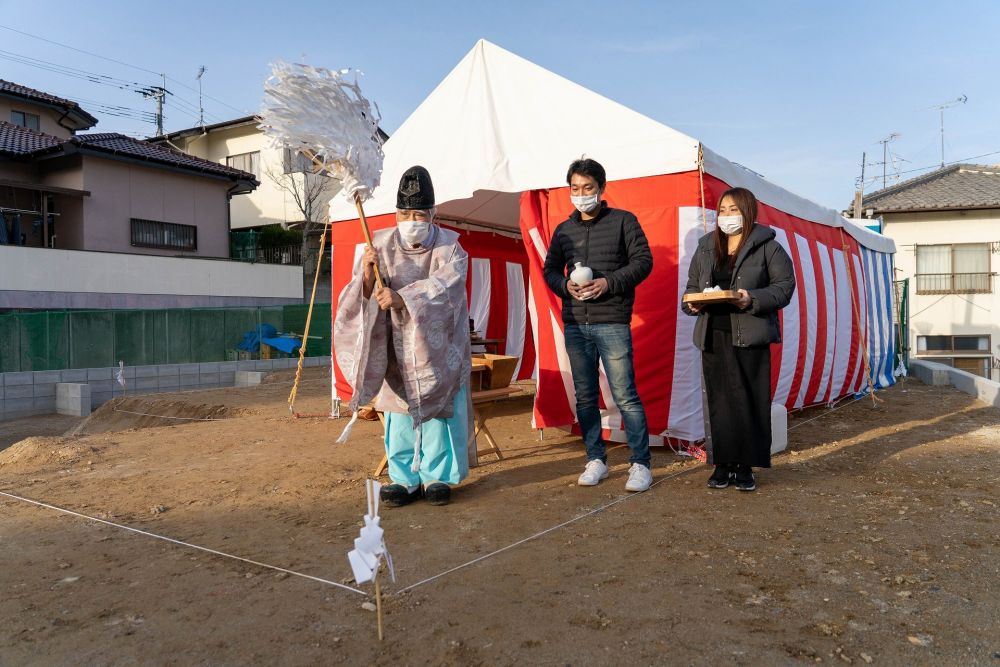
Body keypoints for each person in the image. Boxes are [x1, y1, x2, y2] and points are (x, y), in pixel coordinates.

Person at [334, 165, 473, 507]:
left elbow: (447, 289)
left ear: (432, 214)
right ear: (396, 213)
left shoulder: (450, 248)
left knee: (438, 411)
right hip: (395, 345)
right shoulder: (377, 243)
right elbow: (359, 293)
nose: (412, 219)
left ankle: (437, 477)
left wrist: (403, 297)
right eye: (405, 213)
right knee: (398, 413)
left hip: (436, 347)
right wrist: (367, 275)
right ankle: (404, 478)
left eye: (419, 214)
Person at [542, 158, 654, 492]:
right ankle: (596, 459)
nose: (581, 194)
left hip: (612, 322)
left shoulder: (623, 221)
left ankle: (640, 464)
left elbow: (643, 261)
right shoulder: (564, 230)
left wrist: (609, 283)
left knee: (625, 395)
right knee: (586, 397)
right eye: (575, 188)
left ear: (601, 189)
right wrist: (565, 287)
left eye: (587, 188)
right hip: (576, 324)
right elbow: (550, 270)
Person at [681, 187, 795, 492]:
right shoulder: (706, 246)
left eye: (734, 209)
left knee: (749, 401)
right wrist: (691, 303)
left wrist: (751, 298)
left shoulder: (768, 246)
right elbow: (691, 286)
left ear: (748, 211)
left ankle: (745, 466)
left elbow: (784, 287)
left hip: (750, 334)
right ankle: (722, 464)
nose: (727, 216)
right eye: (722, 210)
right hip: (713, 333)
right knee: (719, 402)